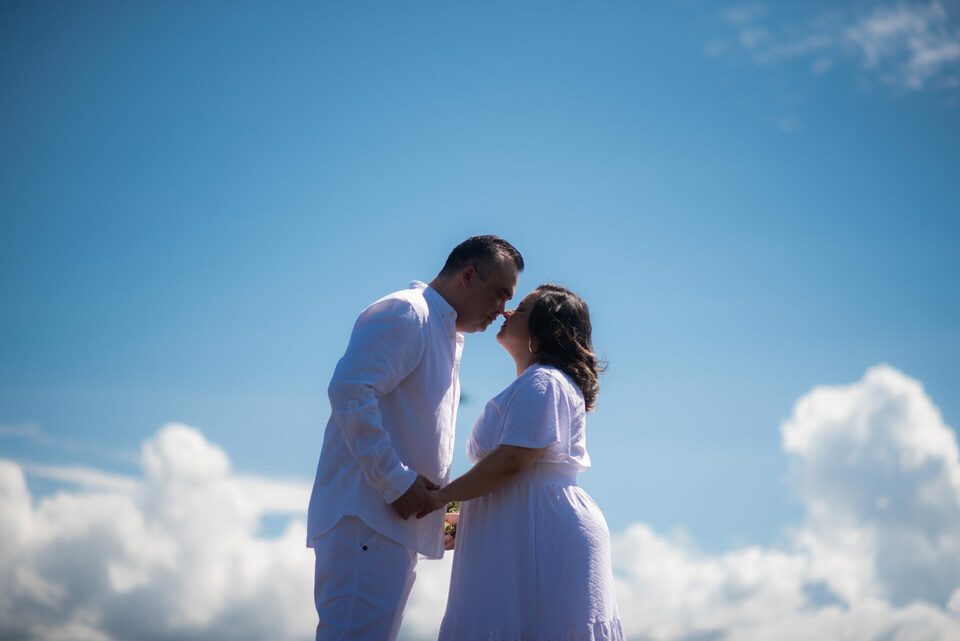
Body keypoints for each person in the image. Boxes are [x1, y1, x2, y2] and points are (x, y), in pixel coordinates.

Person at [306, 235, 523, 641]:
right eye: (499, 294)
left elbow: (416, 434)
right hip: (367, 520)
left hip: (384, 523)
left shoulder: (440, 331)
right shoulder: (410, 313)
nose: (503, 310)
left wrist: (441, 512)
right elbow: (350, 390)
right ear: (469, 275)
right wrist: (396, 482)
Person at [421, 284, 624, 641]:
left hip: (538, 531)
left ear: (546, 328)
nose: (506, 312)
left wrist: (438, 500)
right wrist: (460, 517)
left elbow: (514, 461)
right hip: (529, 523)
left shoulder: (542, 381)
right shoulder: (537, 383)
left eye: (523, 308)